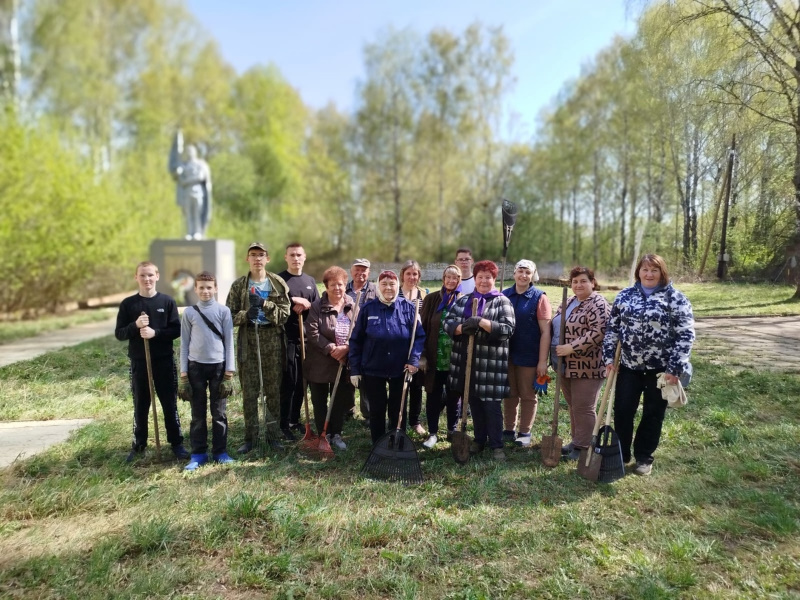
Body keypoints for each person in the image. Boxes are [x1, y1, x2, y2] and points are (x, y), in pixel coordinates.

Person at [602, 254, 695, 476]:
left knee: (653, 414)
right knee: (623, 410)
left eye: (654, 270)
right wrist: (608, 358)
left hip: (660, 370)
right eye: (645, 269)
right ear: (638, 272)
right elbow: (612, 329)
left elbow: (685, 335)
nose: (649, 274)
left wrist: (675, 368)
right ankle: (622, 453)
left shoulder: (675, 298)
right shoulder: (625, 296)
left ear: (662, 272)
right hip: (629, 367)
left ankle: (644, 457)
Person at [115, 262, 188, 462]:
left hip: (164, 361)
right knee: (141, 404)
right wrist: (135, 326)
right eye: (142, 275)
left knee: (169, 403)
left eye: (150, 275)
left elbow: (176, 330)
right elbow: (120, 333)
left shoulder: (167, 301)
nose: (146, 279)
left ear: (157, 276)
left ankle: (176, 443)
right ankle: (139, 445)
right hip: (139, 362)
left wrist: (155, 333)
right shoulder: (128, 304)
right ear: (136, 277)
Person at [443, 260, 515, 461]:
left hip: (490, 365)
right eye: (480, 277)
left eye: (488, 277)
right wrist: (462, 328)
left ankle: (497, 445)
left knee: (491, 405)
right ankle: (479, 439)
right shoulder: (464, 300)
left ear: (494, 279)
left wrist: (482, 323)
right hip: (466, 363)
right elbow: (448, 322)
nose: (483, 281)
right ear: (474, 279)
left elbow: (508, 329)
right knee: (473, 402)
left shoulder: (502, 302)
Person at [226, 242, 291, 454]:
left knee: (273, 391)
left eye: (261, 255)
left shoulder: (277, 283)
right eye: (253, 255)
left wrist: (265, 304)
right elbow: (228, 316)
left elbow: (284, 315)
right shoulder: (239, 285)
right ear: (247, 259)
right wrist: (246, 315)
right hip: (249, 341)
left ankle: (273, 437)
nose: (257, 259)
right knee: (250, 392)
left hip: (272, 339)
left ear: (267, 259)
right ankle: (251, 438)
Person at [349, 270, 425, 444]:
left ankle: (397, 441)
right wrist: (355, 369)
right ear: (378, 286)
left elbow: (419, 336)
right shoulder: (368, 309)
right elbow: (356, 340)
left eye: (392, 284)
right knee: (377, 409)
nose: (388, 288)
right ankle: (378, 443)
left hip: (401, 368)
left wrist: (414, 360)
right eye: (384, 284)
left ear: (397, 285)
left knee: (398, 409)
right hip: (373, 368)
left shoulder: (409, 308)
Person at [178, 271, 236, 471]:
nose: (205, 291)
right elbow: (184, 344)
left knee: (219, 413)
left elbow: (229, 342)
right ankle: (198, 453)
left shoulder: (223, 311)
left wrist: (229, 373)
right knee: (198, 413)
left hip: (219, 368)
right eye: (201, 287)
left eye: (209, 287)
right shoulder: (189, 313)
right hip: (195, 368)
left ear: (216, 289)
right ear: (195, 289)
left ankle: (220, 452)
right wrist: (183, 374)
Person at [552, 266, 610, 461]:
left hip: (588, 365)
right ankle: (577, 440)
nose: (578, 285)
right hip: (565, 364)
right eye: (575, 281)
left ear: (592, 283)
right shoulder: (569, 301)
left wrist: (572, 347)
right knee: (573, 405)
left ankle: (584, 447)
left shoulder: (598, 303)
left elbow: (598, 331)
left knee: (584, 406)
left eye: (583, 281)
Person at [501, 260, 552, 448]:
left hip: (529, 355)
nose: (523, 275)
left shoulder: (539, 297)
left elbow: (546, 332)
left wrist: (542, 361)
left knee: (528, 394)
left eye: (527, 272)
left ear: (533, 276)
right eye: (520, 271)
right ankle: (509, 429)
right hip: (507, 354)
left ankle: (525, 432)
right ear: (514, 273)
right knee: (510, 393)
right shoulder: (504, 294)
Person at [305, 266, 357, 450]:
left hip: (343, 363)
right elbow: (312, 332)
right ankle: (323, 433)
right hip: (319, 362)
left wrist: (347, 348)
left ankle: (336, 434)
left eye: (340, 284)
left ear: (345, 285)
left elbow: (358, 331)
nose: (337, 288)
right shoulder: (317, 306)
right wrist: (331, 348)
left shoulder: (352, 306)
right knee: (319, 400)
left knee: (339, 400)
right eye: (333, 284)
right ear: (326, 286)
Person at [277, 243, 319, 440]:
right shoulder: (279, 280)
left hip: (306, 341)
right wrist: (293, 300)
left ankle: (295, 419)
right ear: (286, 257)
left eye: (299, 255)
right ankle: (283, 423)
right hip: (287, 340)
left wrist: (308, 304)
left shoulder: (310, 281)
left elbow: (317, 306)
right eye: (292, 255)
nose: (296, 258)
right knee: (289, 382)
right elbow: (273, 302)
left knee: (303, 381)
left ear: (304, 257)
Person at [419, 265, 463, 449]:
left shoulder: (464, 300)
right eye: (448, 277)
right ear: (443, 279)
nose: (451, 281)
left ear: (460, 280)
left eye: (455, 278)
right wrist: (422, 356)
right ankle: (433, 433)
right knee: (433, 395)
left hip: (455, 359)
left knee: (454, 395)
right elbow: (422, 329)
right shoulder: (432, 299)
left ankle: (452, 431)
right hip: (434, 357)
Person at [398, 259, 428, 436]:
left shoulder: (424, 294)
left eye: (415, 274)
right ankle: (398, 420)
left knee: (416, 386)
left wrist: (422, 353)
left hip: (418, 348)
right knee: (399, 386)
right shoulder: (395, 293)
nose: (411, 277)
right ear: (402, 275)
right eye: (408, 273)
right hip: (399, 347)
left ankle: (415, 421)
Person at [345, 258, 377, 420]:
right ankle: (348, 409)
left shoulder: (375, 290)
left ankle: (368, 413)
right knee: (347, 373)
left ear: (368, 272)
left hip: (368, 339)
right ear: (351, 271)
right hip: (347, 337)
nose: (360, 273)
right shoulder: (344, 289)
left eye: (364, 270)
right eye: (357, 269)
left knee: (366, 376)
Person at [169, 131, 212, 240]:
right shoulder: (184, 165)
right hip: (187, 192)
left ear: (195, 152)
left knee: (197, 213)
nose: (189, 153)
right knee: (188, 214)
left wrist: (186, 181)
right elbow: (176, 176)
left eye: (191, 151)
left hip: (198, 191)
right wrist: (178, 173)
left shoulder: (200, 164)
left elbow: (201, 177)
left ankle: (198, 232)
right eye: (187, 151)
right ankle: (190, 232)